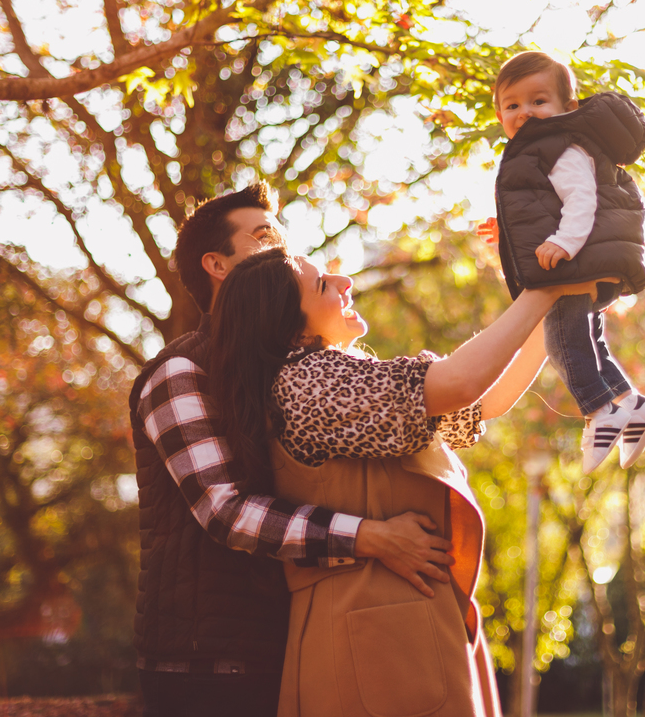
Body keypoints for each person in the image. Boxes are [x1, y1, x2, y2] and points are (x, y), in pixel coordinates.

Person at [208, 247, 607, 716]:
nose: (344, 281)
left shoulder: (344, 380)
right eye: (322, 284)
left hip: (396, 627)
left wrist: (554, 306)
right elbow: (460, 383)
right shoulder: (307, 383)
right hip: (374, 638)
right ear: (291, 326)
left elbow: (482, 401)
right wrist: (545, 289)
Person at [129, 186, 458, 717]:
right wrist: (372, 537)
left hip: (293, 635)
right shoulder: (181, 371)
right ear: (217, 265)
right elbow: (227, 511)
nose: (285, 250)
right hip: (207, 664)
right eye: (265, 238)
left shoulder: (291, 370)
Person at [481, 50, 645, 474]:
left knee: (561, 340)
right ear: (499, 115)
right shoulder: (538, 149)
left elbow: (582, 197)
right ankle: (632, 403)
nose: (525, 112)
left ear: (569, 108)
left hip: (578, 256)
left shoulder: (560, 145)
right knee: (590, 340)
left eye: (538, 101)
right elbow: (543, 205)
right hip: (587, 258)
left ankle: (600, 411)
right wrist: (505, 230)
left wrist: (564, 242)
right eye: (512, 105)